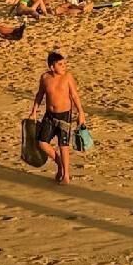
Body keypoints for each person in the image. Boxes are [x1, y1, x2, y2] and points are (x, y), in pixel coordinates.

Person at [32, 50, 86, 185]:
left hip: (64, 115)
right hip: (49, 115)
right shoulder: (45, 78)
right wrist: (34, 111)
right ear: (52, 67)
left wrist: (81, 112)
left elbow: (74, 95)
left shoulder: (68, 77)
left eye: (64, 64)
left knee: (64, 145)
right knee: (42, 142)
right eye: (60, 64)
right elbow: (40, 95)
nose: (64, 66)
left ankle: (66, 175)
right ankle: (59, 163)